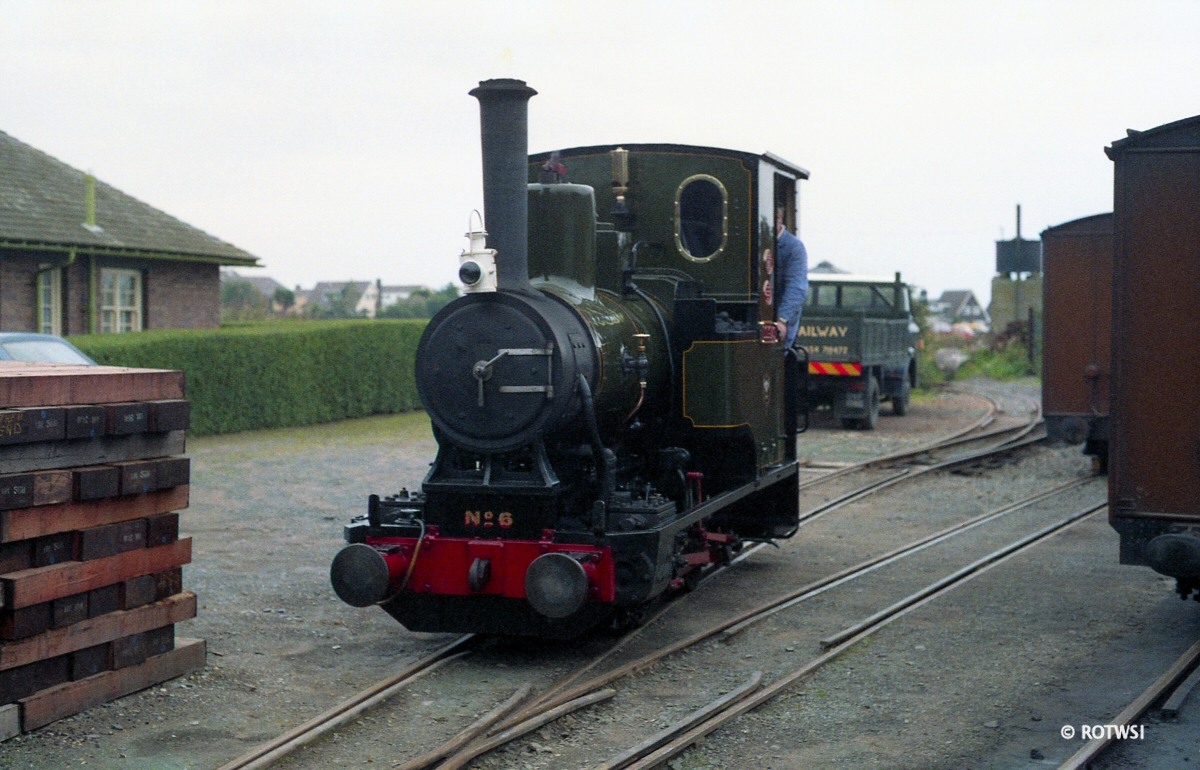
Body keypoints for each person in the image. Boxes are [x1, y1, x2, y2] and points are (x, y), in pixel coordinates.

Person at [773, 207, 809, 349]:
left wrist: (782, 319)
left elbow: (797, 287)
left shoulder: (794, 247)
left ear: (779, 218)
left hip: (781, 321)